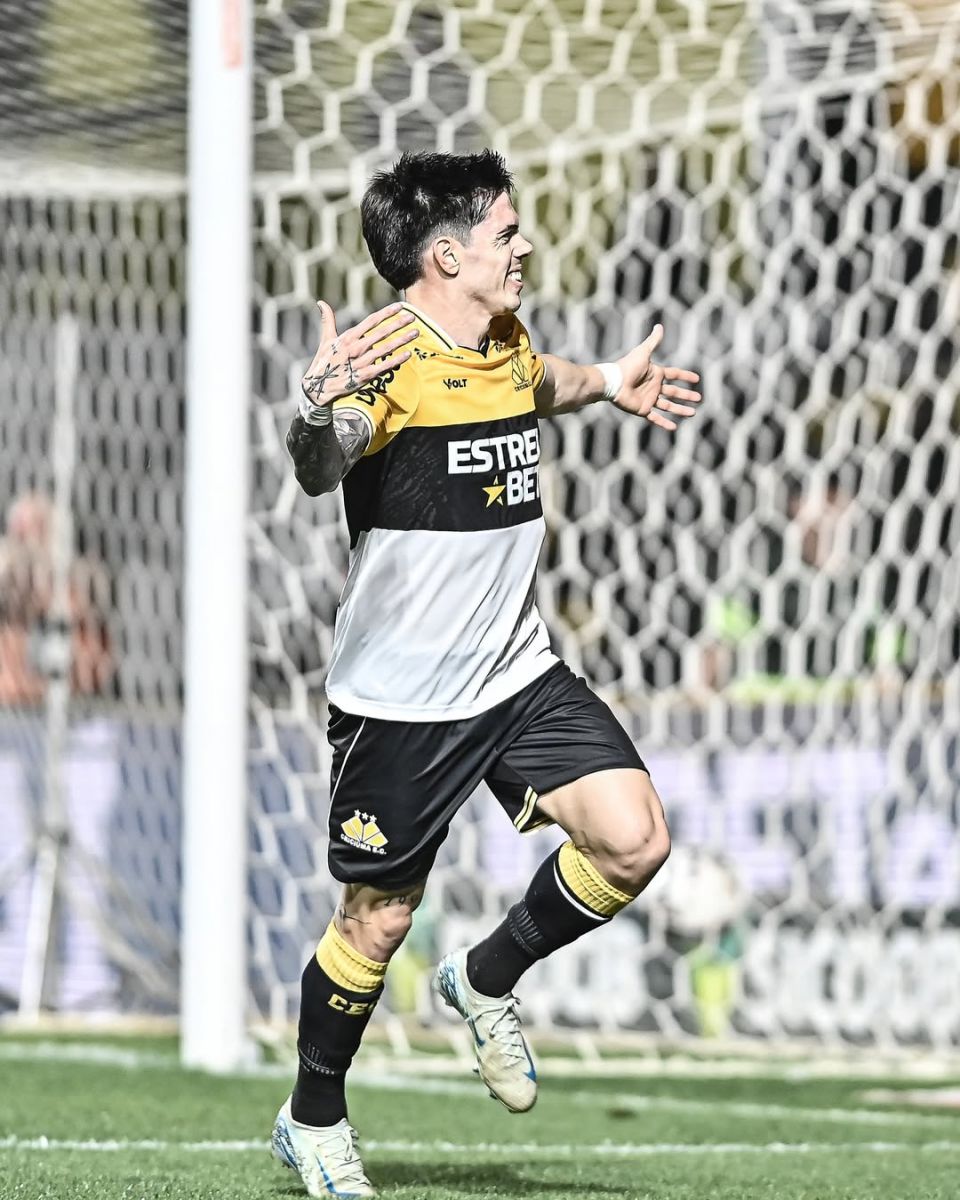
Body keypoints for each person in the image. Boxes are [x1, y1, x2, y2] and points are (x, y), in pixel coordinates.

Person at [273, 150, 701, 1198]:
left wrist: (611, 383)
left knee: (637, 838)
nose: (524, 246)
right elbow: (325, 461)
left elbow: (540, 380)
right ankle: (312, 1118)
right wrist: (314, 412)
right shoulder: (387, 358)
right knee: (377, 922)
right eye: (507, 232)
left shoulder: (502, 339)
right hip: (403, 699)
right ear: (447, 254)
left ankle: (486, 977)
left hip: (514, 673)